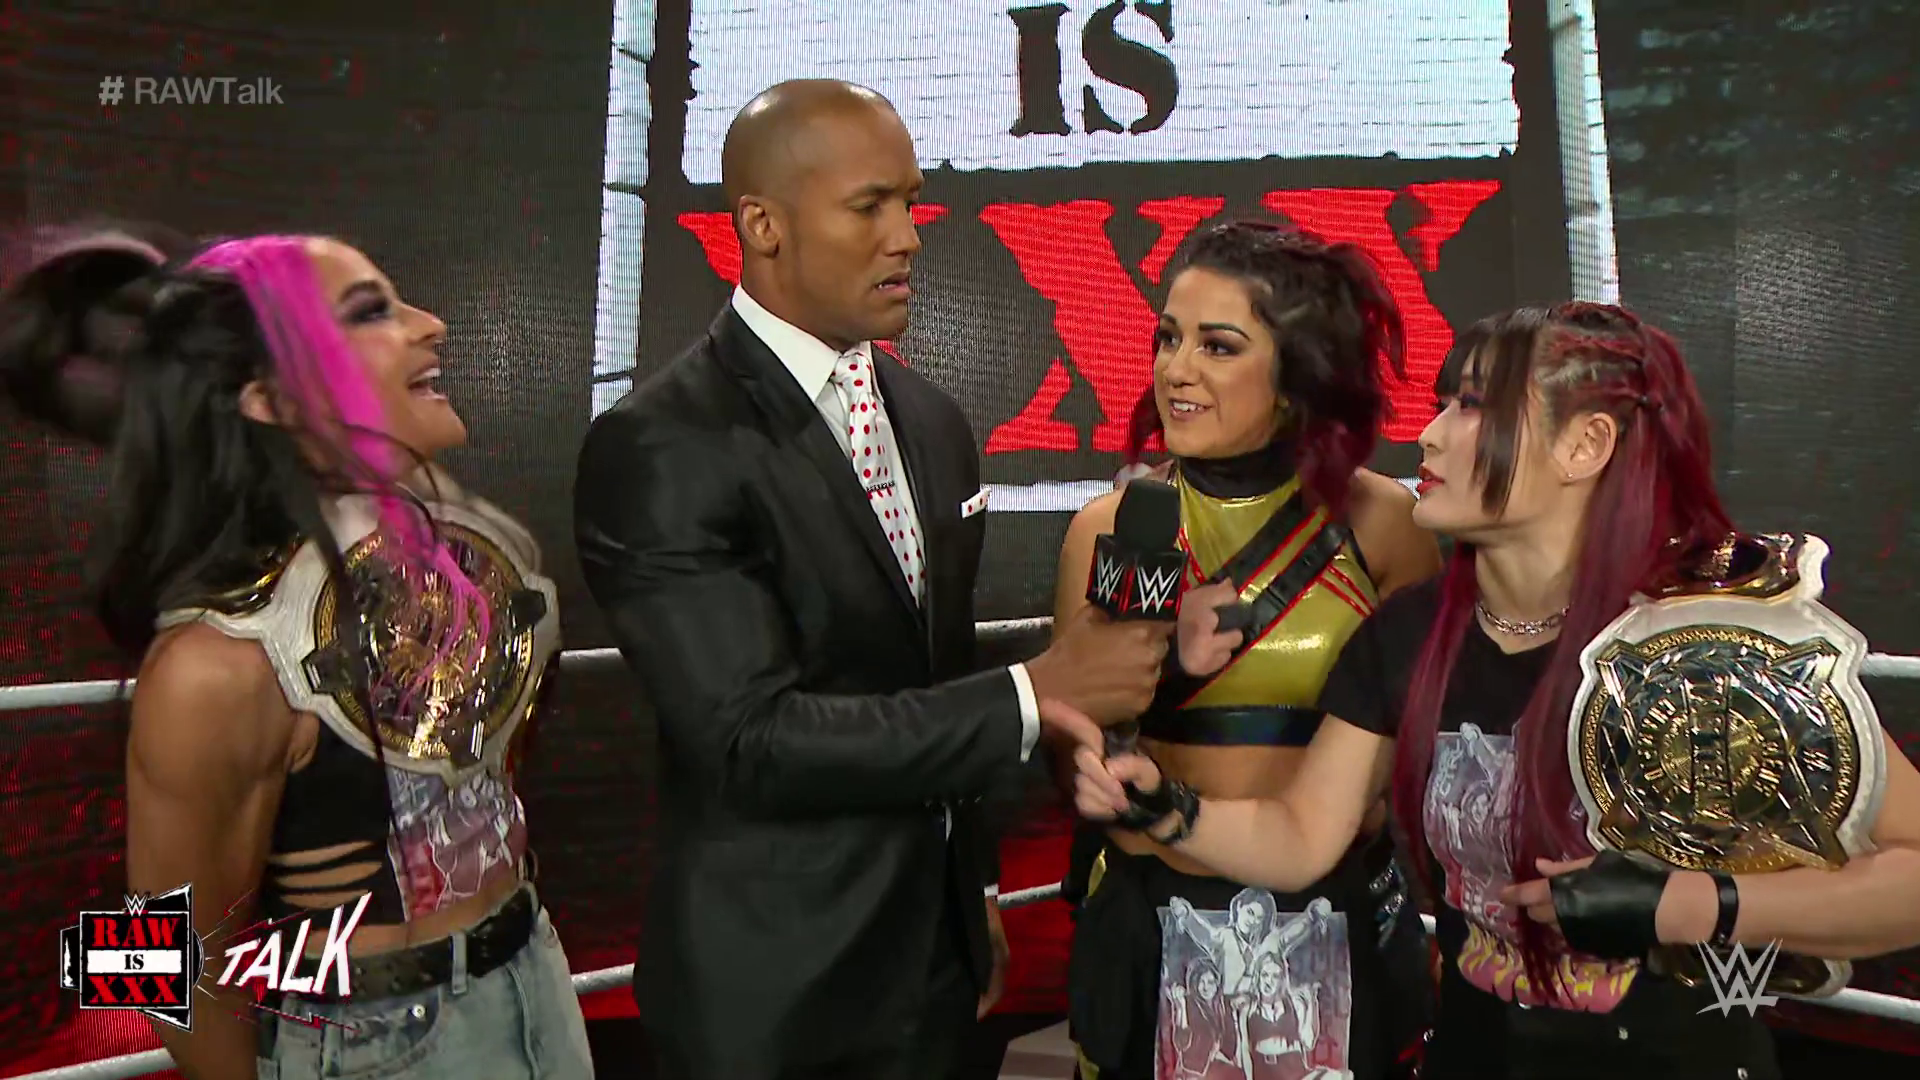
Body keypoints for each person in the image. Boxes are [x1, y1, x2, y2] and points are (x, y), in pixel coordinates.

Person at [1071, 302, 1920, 1079]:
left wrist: (1685, 903)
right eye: (1444, 403)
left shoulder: (1700, 645)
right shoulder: (1409, 634)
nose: (1432, 435)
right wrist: (1168, 809)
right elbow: (1301, 835)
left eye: (1474, 407)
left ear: (1585, 444)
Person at [573, 79, 1167, 1080]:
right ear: (762, 225)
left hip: (938, 973)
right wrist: (1035, 693)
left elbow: (929, 674)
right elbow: (750, 740)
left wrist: (974, 888)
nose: (908, 237)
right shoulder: (662, 446)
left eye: (911, 202)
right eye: (869, 207)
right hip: (775, 998)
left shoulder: (930, 420)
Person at [0, 224, 591, 1079]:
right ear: (267, 397)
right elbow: (152, 949)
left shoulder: (458, 549)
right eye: (371, 312)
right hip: (371, 1040)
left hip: (534, 973)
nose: (431, 325)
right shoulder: (215, 663)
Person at [1048, 221, 1439, 1080]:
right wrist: (1149, 681)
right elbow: (1067, 757)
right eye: (1169, 338)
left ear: (1298, 375)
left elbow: (1413, 763)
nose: (1176, 369)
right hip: (1148, 927)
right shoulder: (1108, 530)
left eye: (1218, 346)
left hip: (1327, 918)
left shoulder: (1385, 530)